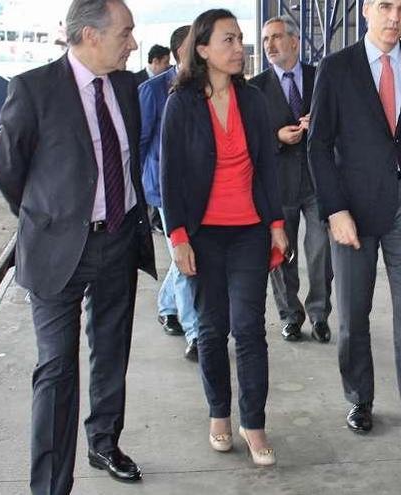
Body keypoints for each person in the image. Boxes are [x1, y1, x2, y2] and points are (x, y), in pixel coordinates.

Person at [0, 0, 155, 492]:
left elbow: (128, 161)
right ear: (88, 35)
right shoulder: (34, 89)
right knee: (57, 370)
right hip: (58, 249)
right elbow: (8, 172)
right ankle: (49, 485)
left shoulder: (128, 87)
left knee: (111, 352)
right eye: (125, 33)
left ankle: (104, 441)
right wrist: (52, 219)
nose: (133, 43)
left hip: (119, 240)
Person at [307, 0, 401, 457]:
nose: (395, 17)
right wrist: (335, 210)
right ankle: (360, 397)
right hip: (353, 211)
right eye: (386, 7)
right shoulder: (336, 68)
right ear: (366, 10)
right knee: (353, 315)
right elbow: (318, 146)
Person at [160, 8, 288, 467]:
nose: (239, 49)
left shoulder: (253, 100)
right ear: (202, 49)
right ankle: (219, 413)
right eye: (228, 41)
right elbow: (169, 174)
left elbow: (267, 167)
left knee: (251, 329)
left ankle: (253, 422)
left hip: (250, 231)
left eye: (239, 39)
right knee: (212, 329)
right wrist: (178, 236)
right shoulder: (181, 103)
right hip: (204, 233)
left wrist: (276, 224)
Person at [249, 16, 333, 344]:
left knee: (320, 250)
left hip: (317, 181)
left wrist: (320, 125)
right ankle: (290, 315)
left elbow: (342, 124)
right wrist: (277, 137)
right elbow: (251, 139)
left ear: (295, 42)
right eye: (266, 38)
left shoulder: (322, 78)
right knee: (281, 253)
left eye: (277, 38)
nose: (269, 45)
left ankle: (320, 314)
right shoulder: (255, 88)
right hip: (278, 185)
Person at [139, 25, 200, 359]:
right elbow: (141, 143)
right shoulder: (153, 90)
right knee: (185, 256)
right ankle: (194, 331)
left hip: (199, 190)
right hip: (164, 190)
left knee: (188, 257)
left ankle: (166, 305)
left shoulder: (205, 86)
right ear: (181, 52)